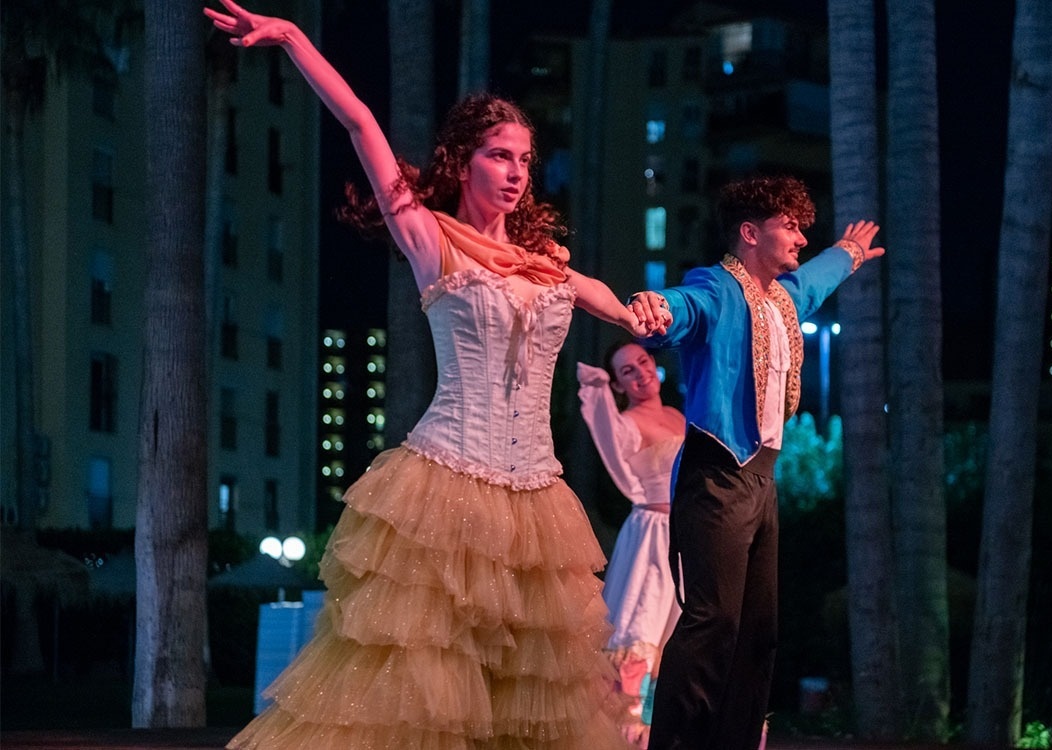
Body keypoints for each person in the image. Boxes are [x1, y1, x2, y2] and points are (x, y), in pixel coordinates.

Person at [204, 2, 654, 747]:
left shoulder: (549, 262)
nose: (514, 173)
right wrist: (290, 39)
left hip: (538, 500)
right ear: (463, 160)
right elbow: (359, 125)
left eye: (523, 161)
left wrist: (640, 313)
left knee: (523, 698)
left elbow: (603, 298)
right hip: (447, 481)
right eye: (499, 156)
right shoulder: (430, 237)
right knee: (422, 693)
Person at [627, 175, 885, 750]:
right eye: (788, 226)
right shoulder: (717, 288)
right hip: (717, 472)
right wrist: (655, 305)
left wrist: (849, 254)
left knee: (759, 630)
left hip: (762, 481)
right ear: (749, 233)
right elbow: (682, 305)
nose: (800, 236)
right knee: (712, 620)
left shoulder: (785, 299)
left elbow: (815, 280)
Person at [577, 341, 686, 746]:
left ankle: (660, 732)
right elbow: (605, 429)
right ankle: (627, 736)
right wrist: (598, 391)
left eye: (642, 363)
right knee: (638, 630)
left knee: (675, 637)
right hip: (651, 538)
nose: (640, 374)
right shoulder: (626, 424)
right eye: (628, 372)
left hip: (687, 536)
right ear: (621, 385)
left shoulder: (676, 414)